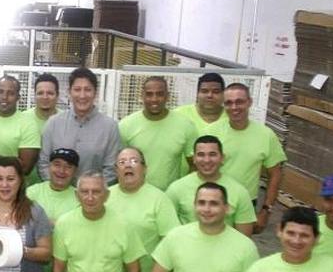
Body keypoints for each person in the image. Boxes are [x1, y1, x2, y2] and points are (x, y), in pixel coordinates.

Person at [206, 83, 285, 230]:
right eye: (229, 103)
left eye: (239, 102)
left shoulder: (266, 136)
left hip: (246, 206)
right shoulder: (211, 132)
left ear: (249, 102)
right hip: (213, 203)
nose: (234, 107)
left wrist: (266, 210)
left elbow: (275, 174)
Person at [38, 67, 121, 184]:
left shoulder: (110, 127)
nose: (82, 95)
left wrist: (89, 192)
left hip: (93, 198)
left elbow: (111, 169)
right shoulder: (53, 123)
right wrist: (58, 189)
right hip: (58, 196)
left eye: (87, 90)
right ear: (69, 92)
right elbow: (43, 164)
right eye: (77, 89)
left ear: (95, 93)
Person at [166, 135, 256, 236]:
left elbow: (244, 238)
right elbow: (167, 232)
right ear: (194, 158)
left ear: (222, 158)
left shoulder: (240, 192)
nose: (207, 160)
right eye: (201, 155)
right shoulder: (176, 189)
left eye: (212, 154)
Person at [119, 76, 198, 190]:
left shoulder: (185, 125)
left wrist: (181, 191)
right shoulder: (125, 126)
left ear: (168, 96)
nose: (154, 99)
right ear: (142, 96)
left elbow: (195, 165)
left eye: (160, 94)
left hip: (169, 198)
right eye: (149, 94)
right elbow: (119, 167)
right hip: (135, 196)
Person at [0, 75, 41, 179]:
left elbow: (25, 168)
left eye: (11, 93)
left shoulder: (28, 124)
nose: (4, 97)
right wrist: (13, 160)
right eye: (0, 92)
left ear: (18, 97)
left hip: (18, 189)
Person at [30, 73, 61, 147]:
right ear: (34, 95)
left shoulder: (66, 121)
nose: (45, 97)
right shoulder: (23, 119)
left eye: (50, 93)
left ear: (57, 95)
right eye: (40, 93)